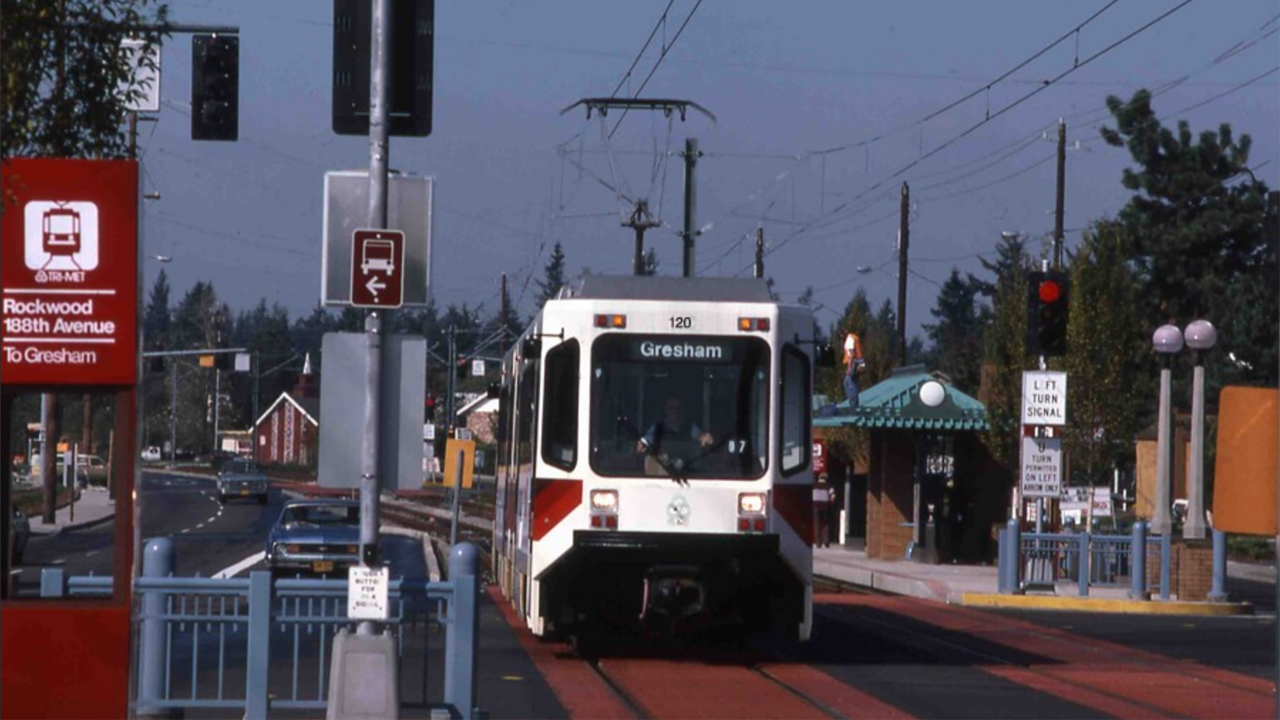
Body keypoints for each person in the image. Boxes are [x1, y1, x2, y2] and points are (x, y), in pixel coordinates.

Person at [637, 397, 714, 464]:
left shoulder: (690, 427)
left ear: (683, 411)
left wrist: (706, 439)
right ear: (666, 410)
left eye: (678, 408)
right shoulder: (657, 427)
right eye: (671, 407)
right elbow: (644, 443)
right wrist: (641, 445)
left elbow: (702, 438)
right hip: (661, 472)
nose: (674, 411)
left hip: (685, 470)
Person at [842, 331, 866, 409]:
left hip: (855, 363)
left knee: (851, 382)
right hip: (859, 362)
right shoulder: (852, 337)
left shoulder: (849, 339)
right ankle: (852, 401)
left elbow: (851, 354)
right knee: (848, 382)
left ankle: (854, 403)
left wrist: (849, 368)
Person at [813, 475, 834, 547]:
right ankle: (826, 541)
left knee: (817, 524)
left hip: (815, 506)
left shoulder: (814, 485)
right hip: (825, 507)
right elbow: (833, 496)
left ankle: (818, 543)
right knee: (826, 523)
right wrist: (830, 504)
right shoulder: (828, 485)